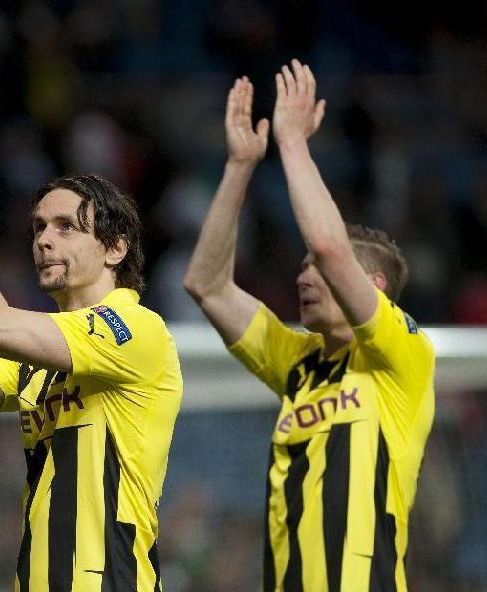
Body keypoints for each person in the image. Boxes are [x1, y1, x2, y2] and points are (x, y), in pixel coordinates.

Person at [0, 126, 182, 592]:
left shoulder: (136, 331)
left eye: (66, 227)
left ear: (115, 248)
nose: (44, 240)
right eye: (39, 226)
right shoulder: (37, 365)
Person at [184, 62, 435, 590]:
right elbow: (206, 285)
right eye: (300, 267)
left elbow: (328, 245)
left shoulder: (401, 355)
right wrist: (239, 165)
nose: (305, 273)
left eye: (317, 269)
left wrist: (293, 142)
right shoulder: (297, 362)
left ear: (374, 285)